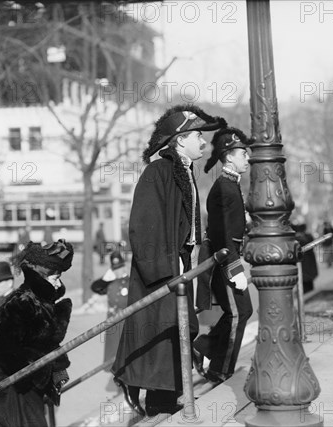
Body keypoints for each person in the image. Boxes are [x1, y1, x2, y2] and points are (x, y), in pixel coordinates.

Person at [111, 105, 226, 417]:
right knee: (159, 335)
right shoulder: (158, 172)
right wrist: (166, 265)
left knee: (179, 332)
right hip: (161, 271)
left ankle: (165, 396)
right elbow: (142, 226)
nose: (204, 142)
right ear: (179, 141)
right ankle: (141, 387)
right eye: (197, 136)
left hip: (179, 266)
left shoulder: (182, 171)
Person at [0, 240, 74, 427]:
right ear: (41, 277)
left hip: (29, 381)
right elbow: (6, 349)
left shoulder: (42, 300)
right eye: (54, 278)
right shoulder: (20, 302)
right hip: (13, 382)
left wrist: (57, 367)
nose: (58, 283)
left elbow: (46, 343)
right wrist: (35, 374)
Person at [193, 127, 253, 384]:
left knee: (242, 312)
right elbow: (223, 234)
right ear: (229, 157)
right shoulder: (224, 188)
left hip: (228, 259)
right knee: (238, 314)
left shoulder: (230, 185)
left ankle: (205, 346)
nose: (247, 158)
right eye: (243, 154)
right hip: (224, 262)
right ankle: (220, 370)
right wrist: (234, 269)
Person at [91, 250, 129, 362]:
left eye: (119, 268)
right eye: (115, 269)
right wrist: (104, 279)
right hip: (112, 319)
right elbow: (95, 288)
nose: (117, 271)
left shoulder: (129, 281)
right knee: (112, 349)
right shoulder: (110, 282)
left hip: (125, 319)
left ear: (124, 267)